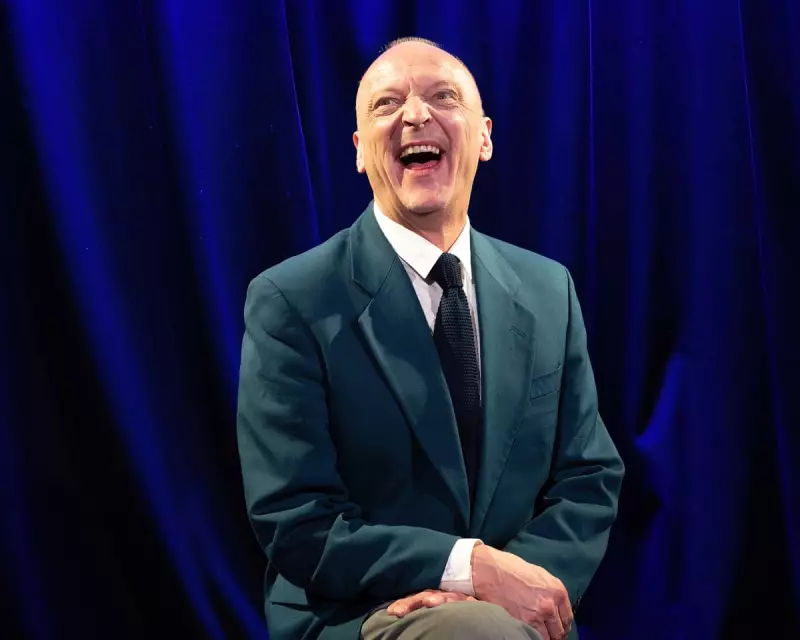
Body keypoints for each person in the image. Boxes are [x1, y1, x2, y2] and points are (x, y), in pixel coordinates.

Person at [236, 37, 624, 640]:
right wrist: (467, 571)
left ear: (485, 137)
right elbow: (297, 519)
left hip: (520, 622)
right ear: (360, 150)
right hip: (363, 612)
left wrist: (513, 588)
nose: (416, 114)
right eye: (387, 103)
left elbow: (588, 478)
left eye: (443, 96)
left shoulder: (550, 290)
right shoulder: (291, 301)